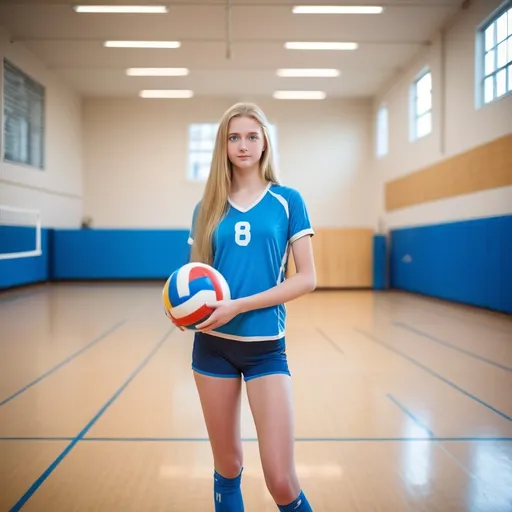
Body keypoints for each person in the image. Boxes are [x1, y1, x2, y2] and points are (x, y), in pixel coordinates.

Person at [173, 102, 316, 511]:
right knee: (228, 464)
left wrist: (239, 304)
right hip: (212, 345)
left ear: (265, 142)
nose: (243, 145)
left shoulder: (287, 201)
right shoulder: (206, 208)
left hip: (265, 347)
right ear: (223, 145)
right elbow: (194, 275)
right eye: (234, 137)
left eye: (252, 136)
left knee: (281, 480)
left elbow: (306, 278)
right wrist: (181, 310)